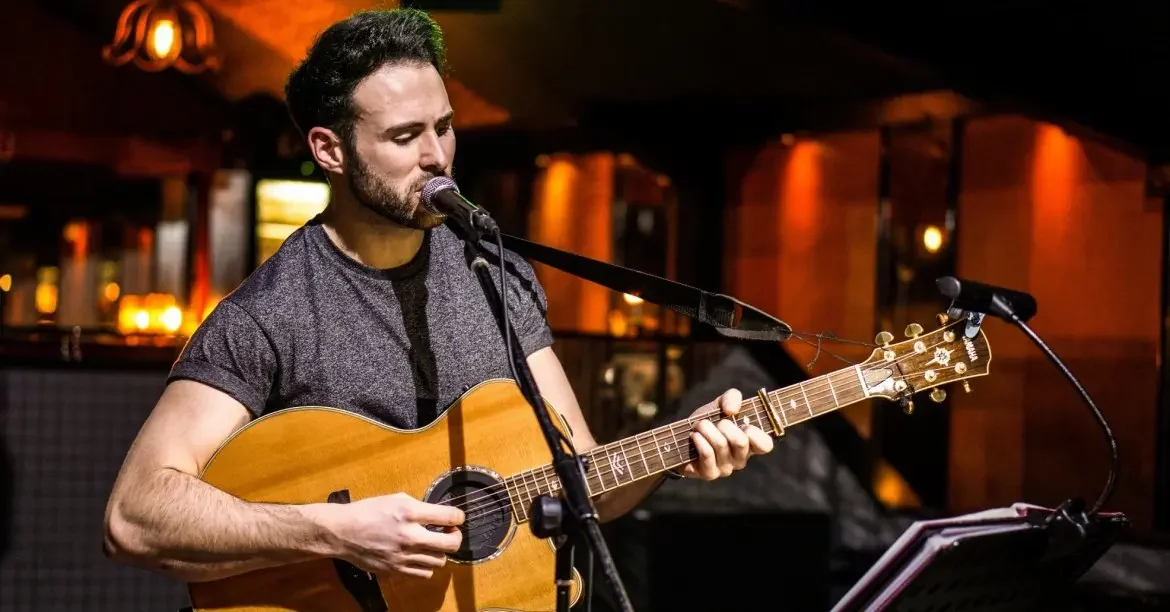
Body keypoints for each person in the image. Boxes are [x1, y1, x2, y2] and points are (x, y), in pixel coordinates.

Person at [102, 8, 774, 584]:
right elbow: (135, 515)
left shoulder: (498, 275)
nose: (437, 156)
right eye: (403, 136)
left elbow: (580, 477)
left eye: (444, 126)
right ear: (329, 150)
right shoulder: (270, 314)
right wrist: (332, 532)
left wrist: (680, 450)